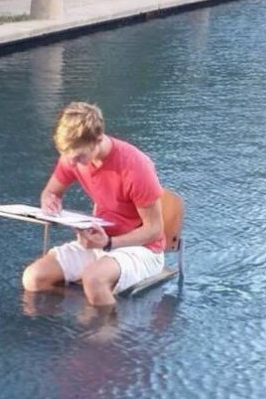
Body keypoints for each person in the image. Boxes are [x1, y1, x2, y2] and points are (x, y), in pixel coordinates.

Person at [22, 101, 165, 307]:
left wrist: (108, 243)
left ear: (98, 139)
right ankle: (70, 322)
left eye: (79, 157)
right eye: (68, 156)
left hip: (143, 249)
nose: (72, 163)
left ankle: (108, 325)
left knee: (94, 280)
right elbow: (51, 192)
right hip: (101, 240)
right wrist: (49, 200)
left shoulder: (135, 167)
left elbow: (154, 230)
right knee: (33, 278)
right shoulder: (73, 156)